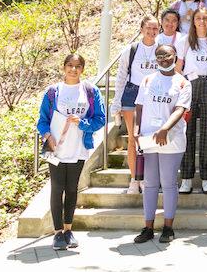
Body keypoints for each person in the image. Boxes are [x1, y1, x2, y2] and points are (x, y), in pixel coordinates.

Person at [37, 54, 105, 250]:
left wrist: (82, 122)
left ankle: (68, 230)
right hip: (56, 148)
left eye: (77, 66)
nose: (73, 69)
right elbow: (42, 120)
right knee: (57, 188)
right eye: (69, 65)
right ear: (63, 67)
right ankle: (57, 233)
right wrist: (47, 136)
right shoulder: (53, 92)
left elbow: (99, 119)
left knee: (72, 189)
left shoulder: (90, 91)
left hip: (78, 147)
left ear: (82, 69)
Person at [132, 45, 192, 245]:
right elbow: (139, 107)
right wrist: (136, 129)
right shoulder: (148, 79)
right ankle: (148, 227)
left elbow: (179, 109)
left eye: (167, 55)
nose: (163, 58)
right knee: (149, 184)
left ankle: (168, 227)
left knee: (168, 183)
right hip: (149, 137)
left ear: (175, 56)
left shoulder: (183, 83)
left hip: (171, 138)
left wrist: (165, 129)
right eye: (159, 55)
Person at [175, 7, 207, 194]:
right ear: (193, 21)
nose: (202, 22)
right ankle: (186, 178)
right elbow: (178, 67)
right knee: (187, 131)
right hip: (190, 85)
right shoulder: (184, 41)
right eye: (198, 18)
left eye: (206, 18)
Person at [110, 16, 162, 194]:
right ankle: (134, 179)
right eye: (148, 28)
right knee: (133, 138)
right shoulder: (131, 50)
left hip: (152, 94)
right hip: (132, 93)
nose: (151, 31)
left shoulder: (161, 50)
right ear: (141, 28)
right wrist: (116, 101)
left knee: (149, 139)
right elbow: (121, 77)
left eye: (155, 28)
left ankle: (147, 178)